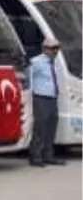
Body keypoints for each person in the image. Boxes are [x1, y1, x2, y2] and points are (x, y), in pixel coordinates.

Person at [28, 37, 66, 167]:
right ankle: (36, 156)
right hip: (41, 98)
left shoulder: (53, 63)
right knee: (40, 128)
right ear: (45, 49)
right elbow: (29, 78)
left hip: (52, 98)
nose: (56, 51)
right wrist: (31, 94)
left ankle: (48, 155)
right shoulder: (36, 62)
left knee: (51, 127)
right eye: (53, 49)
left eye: (57, 48)